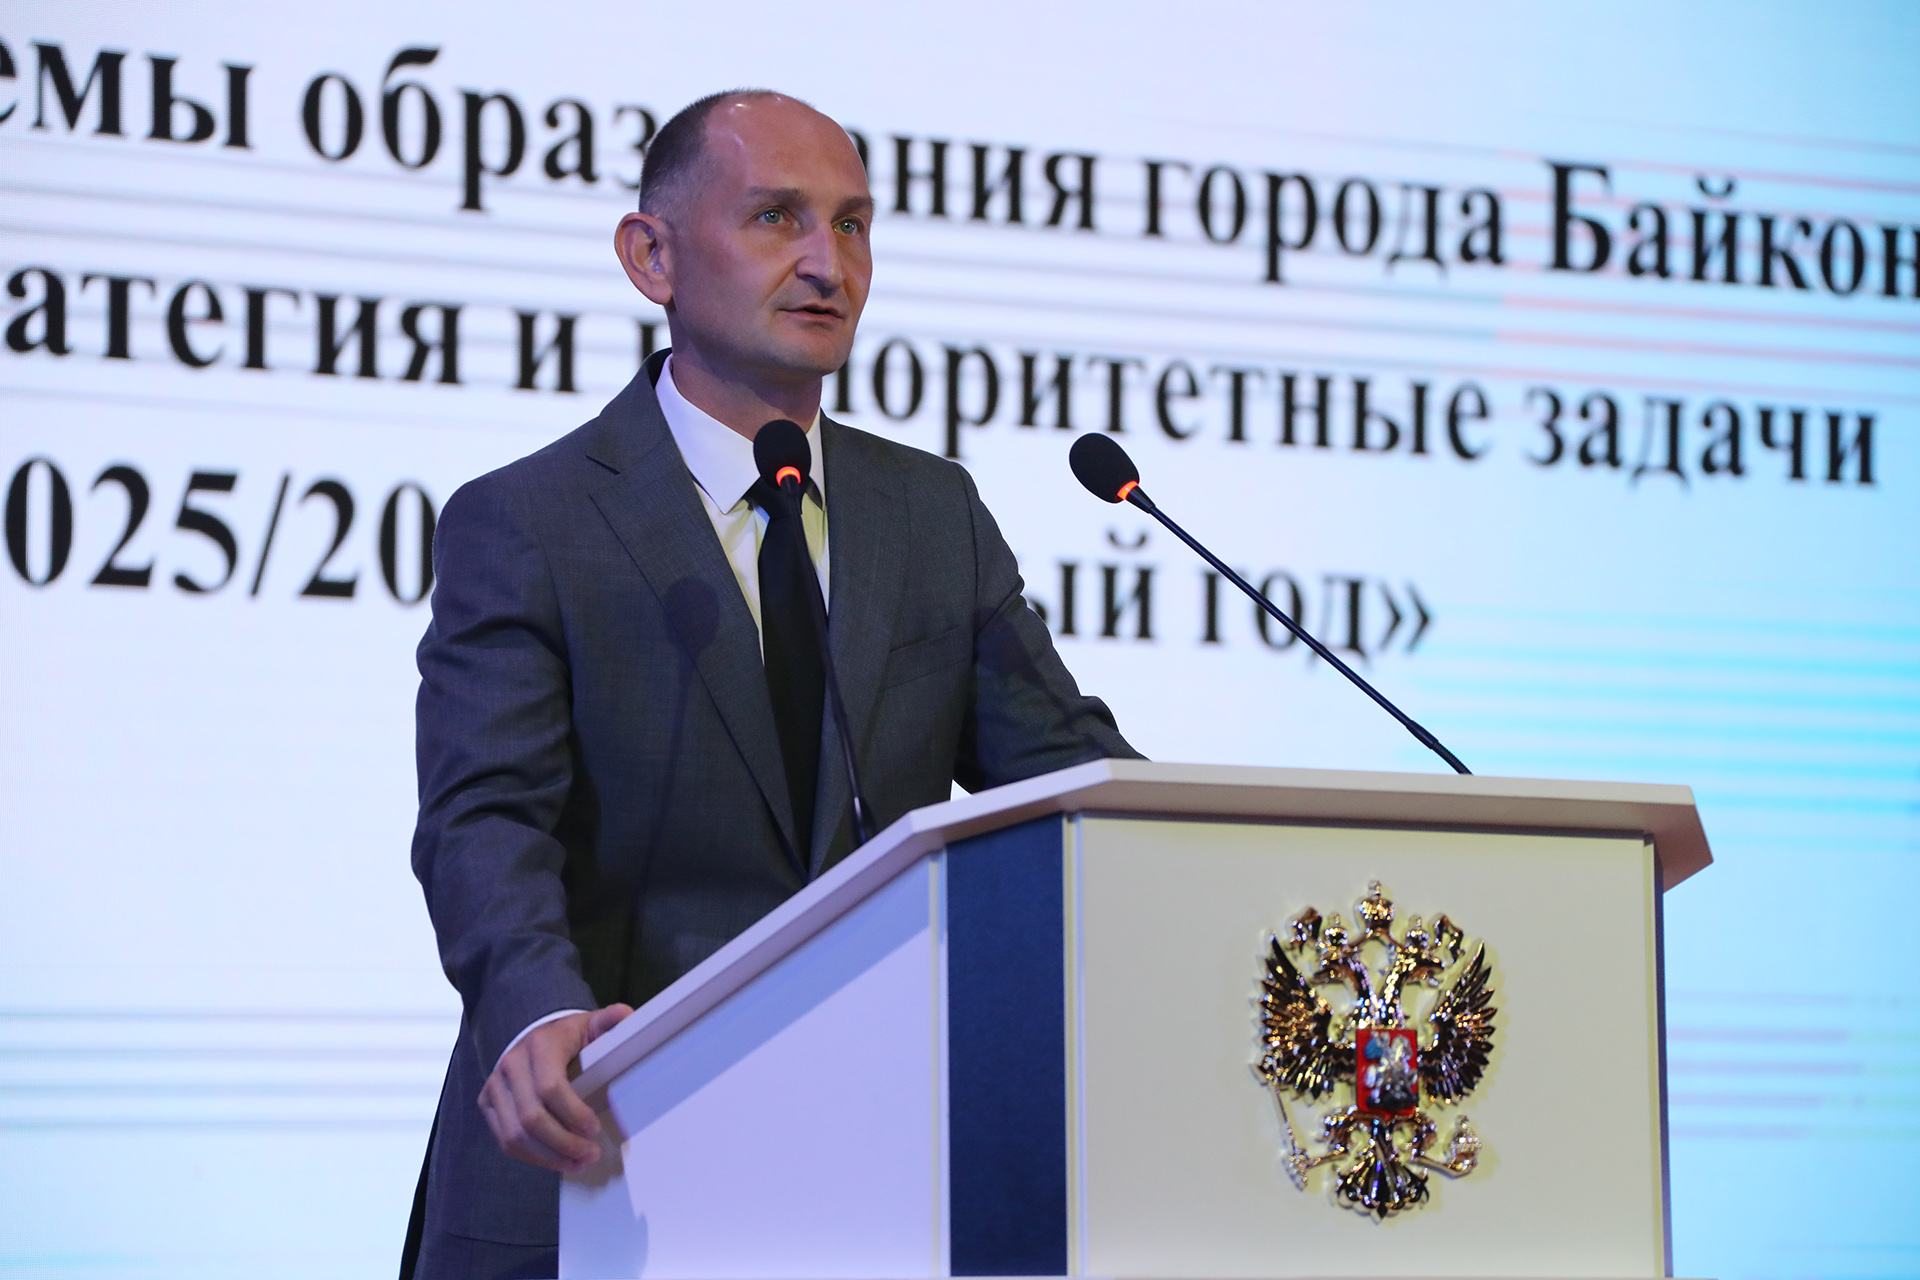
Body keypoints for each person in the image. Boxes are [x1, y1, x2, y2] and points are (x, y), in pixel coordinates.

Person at [402, 88, 1138, 1279]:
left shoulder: (932, 513)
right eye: (776, 217)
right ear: (651, 256)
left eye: (852, 224)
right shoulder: (530, 520)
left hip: (875, 1178)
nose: (826, 262)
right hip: (603, 1150)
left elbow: (1068, 780)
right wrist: (539, 1009)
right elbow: (484, 820)